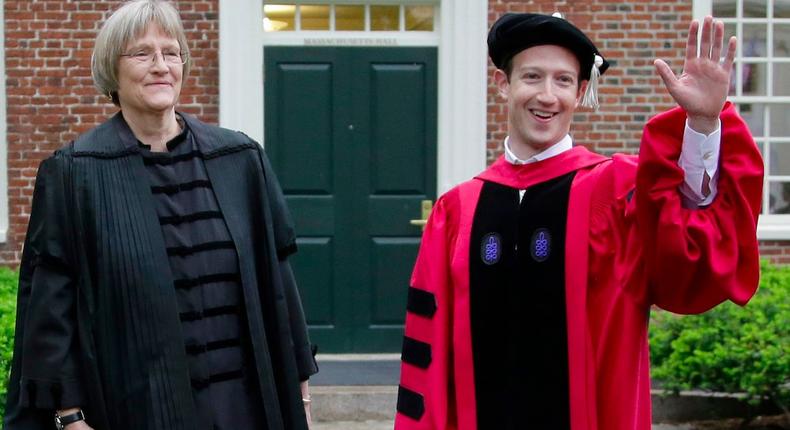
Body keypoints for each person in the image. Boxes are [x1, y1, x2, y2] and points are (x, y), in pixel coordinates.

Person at [395, 12, 763, 430]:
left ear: (581, 90)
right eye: (532, 77)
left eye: (563, 80)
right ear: (503, 84)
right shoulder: (458, 211)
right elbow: (429, 353)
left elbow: (690, 261)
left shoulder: (618, 191)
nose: (547, 96)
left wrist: (701, 124)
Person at [4, 1, 317, 429]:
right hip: (137, 407)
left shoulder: (240, 161)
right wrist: (70, 417)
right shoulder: (75, 173)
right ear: (112, 70)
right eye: (141, 54)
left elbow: (278, 284)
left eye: (171, 53)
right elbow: (50, 310)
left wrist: (299, 392)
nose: (161, 66)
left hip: (246, 408)